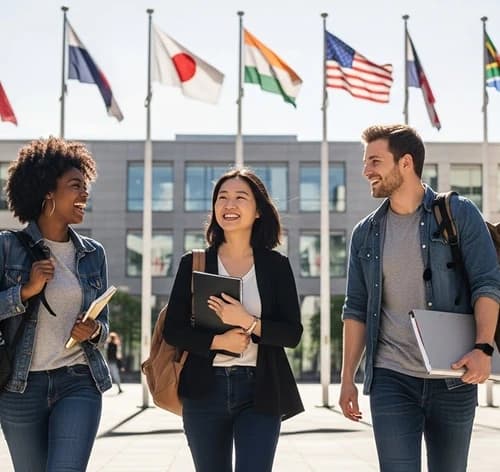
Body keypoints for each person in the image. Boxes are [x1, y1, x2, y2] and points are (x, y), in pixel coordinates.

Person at [339, 124, 500, 472]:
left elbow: (487, 284)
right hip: (391, 377)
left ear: (405, 163)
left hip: (455, 377)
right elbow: (355, 309)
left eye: (375, 161)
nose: (366, 170)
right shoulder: (364, 234)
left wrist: (484, 348)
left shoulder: (458, 214)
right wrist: (347, 377)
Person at [163, 167, 304, 472]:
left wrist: (249, 322)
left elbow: (292, 333)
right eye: (222, 197)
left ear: (257, 211)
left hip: (260, 391)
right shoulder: (196, 262)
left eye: (241, 197)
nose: (230, 205)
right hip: (204, 392)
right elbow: (173, 331)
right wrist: (218, 341)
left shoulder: (276, 266)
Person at [0, 137, 112, 472]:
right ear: (48, 191)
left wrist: (94, 330)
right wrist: (25, 291)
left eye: (85, 186)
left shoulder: (93, 254)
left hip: (78, 380)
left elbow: (104, 326)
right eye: (75, 186)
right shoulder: (7, 247)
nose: (84, 194)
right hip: (20, 387)